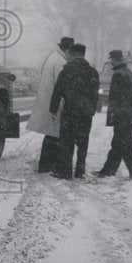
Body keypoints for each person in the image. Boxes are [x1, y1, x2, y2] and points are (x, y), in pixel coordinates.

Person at [49, 43, 99, 179]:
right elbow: (95, 94)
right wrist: (92, 109)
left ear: (73, 53)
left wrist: (53, 109)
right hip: (86, 112)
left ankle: (65, 171)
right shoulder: (92, 71)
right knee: (83, 142)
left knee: (67, 141)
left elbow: (57, 91)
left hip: (70, 110)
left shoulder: (67, 70)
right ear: (83, 54)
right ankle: (80, 170)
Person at [27, 36, 75, 173]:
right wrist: (62, 105)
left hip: (48, 101)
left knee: (51, 135)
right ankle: (49, 165)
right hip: (55, 103)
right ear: (67, 50)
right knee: (55, 135)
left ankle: (46, 164)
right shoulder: (60, 63)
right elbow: (61, 86)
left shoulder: (52, 58)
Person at [95, 50, 132, 180]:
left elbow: (116, 98)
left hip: (123, 115)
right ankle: (108, 170)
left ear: (115, 60)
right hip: (129, 114)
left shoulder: (118, 74)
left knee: (126, 144)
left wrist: (115, 115)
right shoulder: (128, 72)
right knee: (118, 143)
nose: (110, 61)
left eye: (111, 59)